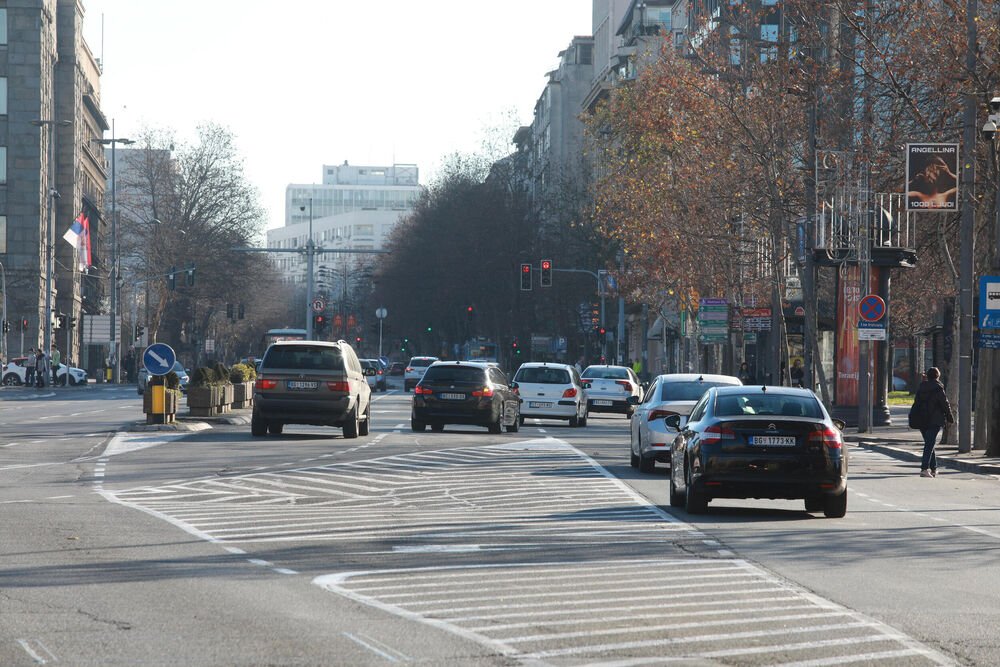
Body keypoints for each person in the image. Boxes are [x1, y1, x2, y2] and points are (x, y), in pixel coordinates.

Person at [913, 367, 955, 478]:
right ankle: (924, 469)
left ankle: (934, 468)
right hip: (935, 420)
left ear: (927, 376)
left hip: (922, 420)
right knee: (929, 444)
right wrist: (950, 418)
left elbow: (916, 403)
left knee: (929, 443)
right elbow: (945, 404)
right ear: (937, 376)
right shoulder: (938, 388)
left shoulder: (921, 388)